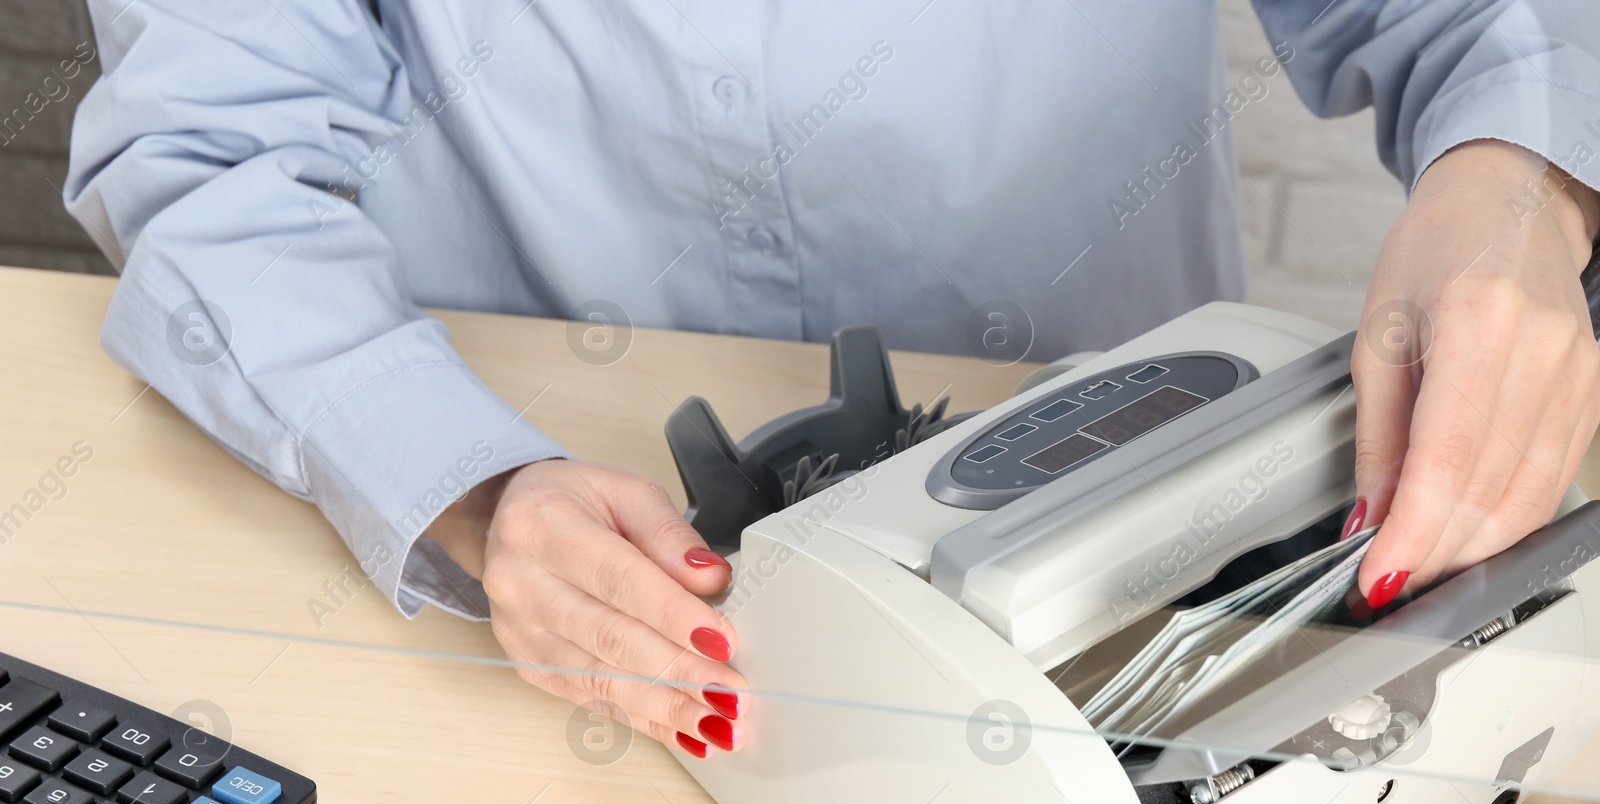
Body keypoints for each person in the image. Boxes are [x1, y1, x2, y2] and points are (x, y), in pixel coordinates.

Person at [65, 1, 1600, 759]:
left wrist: (1515, 196)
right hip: (560, 544)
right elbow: (208, 153)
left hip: (1124, 520)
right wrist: (466, 490)